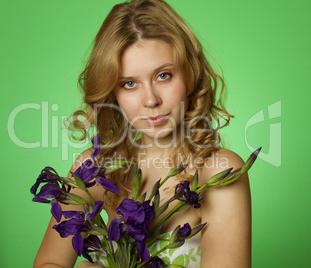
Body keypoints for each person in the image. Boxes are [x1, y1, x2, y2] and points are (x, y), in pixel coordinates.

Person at [33, 0, 251, 267]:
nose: (150, 100)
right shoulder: (97, 169)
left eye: (163, 76)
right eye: (129, 83)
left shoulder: (217, 172)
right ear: (113, 92)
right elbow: (48, 262)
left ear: (189, 75)